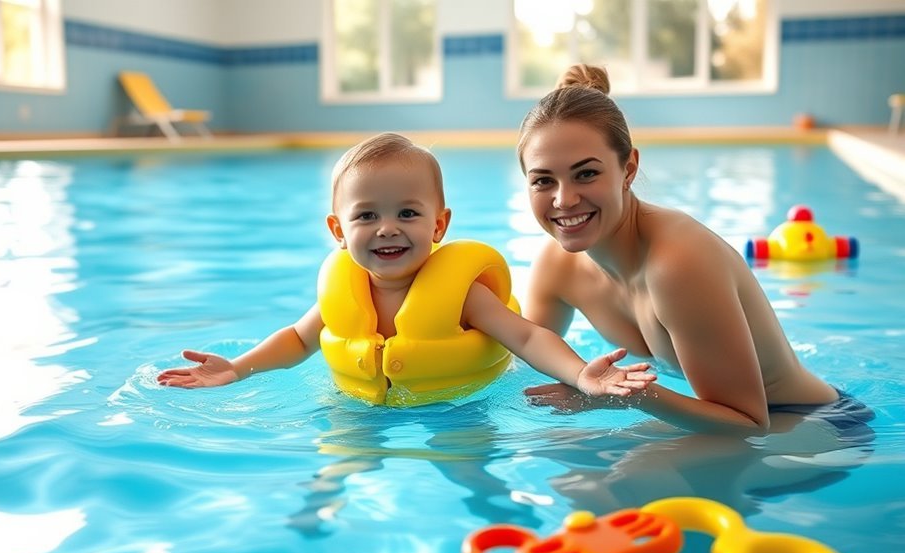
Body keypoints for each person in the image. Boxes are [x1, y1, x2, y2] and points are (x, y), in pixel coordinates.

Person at [158, 132, 655, 404]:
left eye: (408, 214)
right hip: (363, 411)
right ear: (337, 230)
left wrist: (578, 374)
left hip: (459, 408)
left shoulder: (461, 293)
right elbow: (296, 339)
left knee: (469, 470)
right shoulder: (344, 290)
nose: (388, 229)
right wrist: (238, 369)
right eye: (367, 215)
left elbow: (525, 338)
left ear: (439, 225)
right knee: (337, 468)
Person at [519, 64, 855, 433]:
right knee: (573, 472)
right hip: (731, 427)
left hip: (811, 425)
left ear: (628, 169)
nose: (564, 200)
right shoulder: (556, 267)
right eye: (543, 181)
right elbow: (522, 357)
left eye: (586, 174)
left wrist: (617, 396)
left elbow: (749, 422)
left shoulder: (677, 263)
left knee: (621, 482)